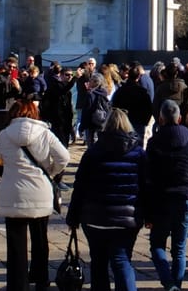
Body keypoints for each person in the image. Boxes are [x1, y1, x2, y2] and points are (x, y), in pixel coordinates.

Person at [67, 107, 147, 291]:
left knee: (98, 262)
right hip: (127, 218)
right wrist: (148, 214)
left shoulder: (92, 152)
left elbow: (80, 187)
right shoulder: (139, 154)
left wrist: (73, 216)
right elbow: (146, 187)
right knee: (122, 260)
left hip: (95, 217)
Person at [0, 96, 69, 291]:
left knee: (15, 244)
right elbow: (64, 157)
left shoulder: (4, 134)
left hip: (13, 192)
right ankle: (40, 278)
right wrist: (51, 171)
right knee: (40, 239)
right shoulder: (45, 133)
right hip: (39, 191)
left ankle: (17, 284)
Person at [146, 98, 188, 291]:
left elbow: (148, 176)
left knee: (157, 244)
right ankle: (176, 285)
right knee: (179, 248)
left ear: (161, 119)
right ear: (180, 118)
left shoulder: (154, 142)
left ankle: (169, 283)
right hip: (185, 197)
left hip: (161, 199)